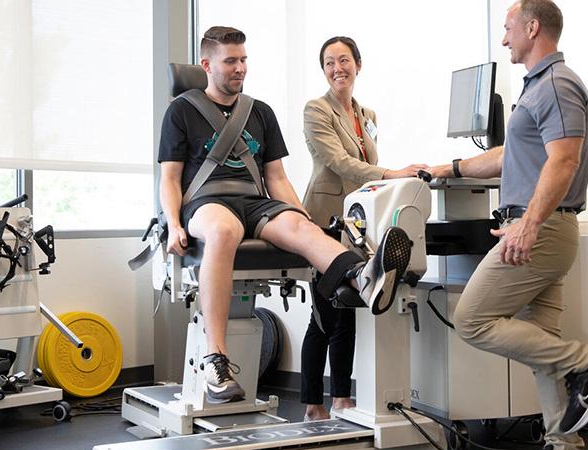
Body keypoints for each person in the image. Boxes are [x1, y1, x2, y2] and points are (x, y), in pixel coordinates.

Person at [159, 26, 411, 404]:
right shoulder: (181, 111)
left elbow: (275, 178)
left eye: (243, 60)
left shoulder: (259, 112)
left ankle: (363, 277)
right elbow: (170, 178)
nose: (240, 68)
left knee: (302, 227)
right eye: (230, 61)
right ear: (206, 65)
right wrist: (174, 224)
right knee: (224, 230)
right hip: (207, 201)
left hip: (254, 201)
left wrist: (300, 217)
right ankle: (216, 359)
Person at [427, 0, 588, 450]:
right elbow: (511, 156)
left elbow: (563, 160)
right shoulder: (538, 88)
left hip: (543, 230)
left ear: (533, 28)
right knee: (542, 347)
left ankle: (587, 364)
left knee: (471, 319)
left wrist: (529, 223)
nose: (504, 37)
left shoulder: (556, 84)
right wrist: (446, 169)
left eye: (509, 27)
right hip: (541, 227)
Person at [299, 36, 427, 421]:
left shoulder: (367, 115)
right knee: (323, 314)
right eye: (329, 62)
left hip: (357, 224)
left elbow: (367, 170)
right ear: (324, 70)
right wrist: (389, 173)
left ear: (358, 64)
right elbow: (337, 161)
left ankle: (341, 397)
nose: (338, 68)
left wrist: (393, 182)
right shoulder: (316, 110)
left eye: (344, 60)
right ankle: (312, 403)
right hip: (323, 221)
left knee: (348, 311)